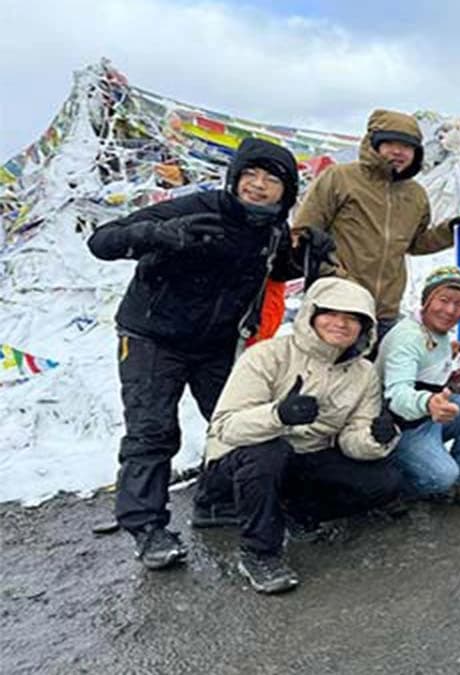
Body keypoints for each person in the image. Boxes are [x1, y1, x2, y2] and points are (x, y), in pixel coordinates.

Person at [88, 138, 303, 570]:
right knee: (152, 431)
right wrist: (157, 235)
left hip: (215, 344)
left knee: (232, 424)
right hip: (152, 335)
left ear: (286, 192)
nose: (258, 186)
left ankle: (212, 502)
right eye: (250, 176)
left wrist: (305, 256)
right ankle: (147, 529)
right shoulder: (194, 208)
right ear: (235, 178)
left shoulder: (273, 230)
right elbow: (103, 240)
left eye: (271, 180)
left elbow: (274, 270)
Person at [195, 277, 403, 593]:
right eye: (331, 314)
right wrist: (278, 415)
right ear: (311, 314)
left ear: (365, 328)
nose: (341, 324)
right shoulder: (267, 355)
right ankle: (259, 553)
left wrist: (376, 438)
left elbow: (351, 439)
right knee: (269, 453)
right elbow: (226, 427)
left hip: (303, 459)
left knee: (384, 480)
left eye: (352, 318)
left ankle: (296, 513)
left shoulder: (363, 373)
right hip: (237, 461)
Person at [293, 109, 460, 339]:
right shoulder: (340, 178)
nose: (399, 152)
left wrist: (450, 232)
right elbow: (305, 233)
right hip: (337, 305)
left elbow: (414, 243)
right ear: (374, 144)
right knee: (329, 373)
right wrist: (332, 275)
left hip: (385, 312)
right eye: (390, 143)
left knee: (373, 374)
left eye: (407, 146)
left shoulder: (416, 194)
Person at [378, 266, 460, 507]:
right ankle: (390, 490)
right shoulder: (407, 338)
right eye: (443, 300)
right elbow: (396, 395)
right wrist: (428, 402)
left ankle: (457, 484)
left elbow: (426, 372)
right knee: (440, 476)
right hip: (401, 427)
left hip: (427, 416)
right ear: (426, 300)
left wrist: (448, 376)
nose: (450, 311)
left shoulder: (437, 331)